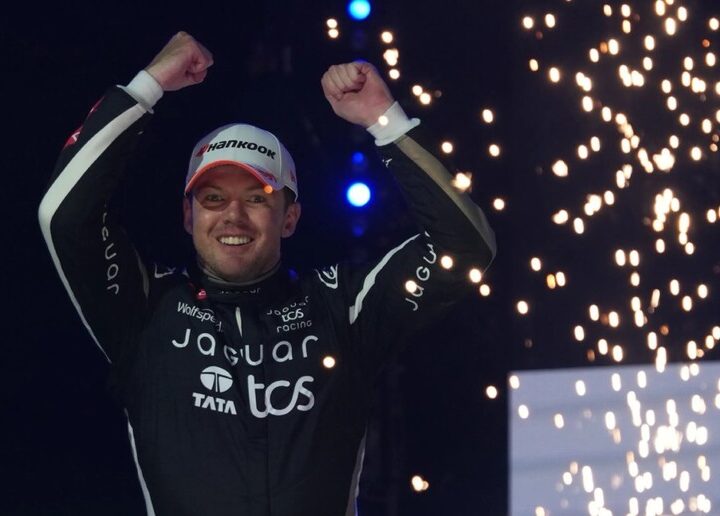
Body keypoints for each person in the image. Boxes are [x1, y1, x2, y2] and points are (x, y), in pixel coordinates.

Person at [38, 31, 496, 516]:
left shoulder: (343, 309)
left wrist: (386, 121)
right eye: (213, 199)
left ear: (290, 218)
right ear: (189, 216)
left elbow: (465, 247)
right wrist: (145, 87)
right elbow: (62, 215)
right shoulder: (147, 309)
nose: (233, 216)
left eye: (257, 198)